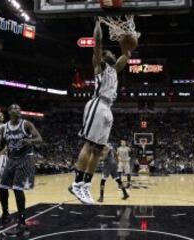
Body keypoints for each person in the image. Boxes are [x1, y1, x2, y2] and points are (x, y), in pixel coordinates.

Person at [68, 19, 137, 204]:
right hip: (97, 105)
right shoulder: (99, 66)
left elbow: (127, 55)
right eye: (110, 52)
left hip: (107, 109)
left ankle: (85, 186)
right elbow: (97, 43)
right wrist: (98, 22)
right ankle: (76, 184)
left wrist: (125, 40)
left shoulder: (114, 70)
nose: (113, 53)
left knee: (98, 150)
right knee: (89, 145)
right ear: (104, 56)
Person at [0, 104, 42, 237]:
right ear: (9, 112)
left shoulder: (26, 124)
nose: (17, 110)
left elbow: (39, 139)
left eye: (19, 108)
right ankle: (5, 216)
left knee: (18, 189)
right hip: (11, 159)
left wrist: (29, 141)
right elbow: (1, 146)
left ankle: (22, 222)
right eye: (13, 108)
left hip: (25, 159)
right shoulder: (4, 128)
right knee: (2, 187)